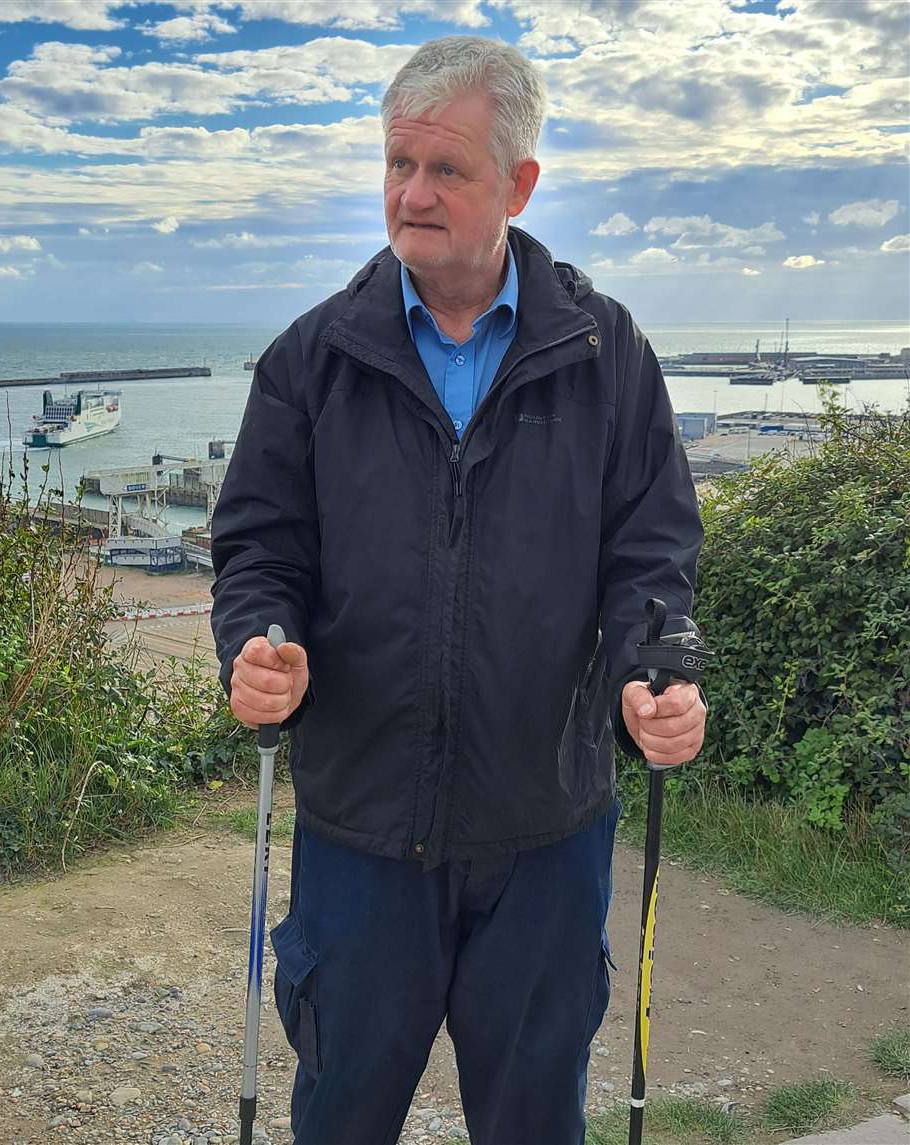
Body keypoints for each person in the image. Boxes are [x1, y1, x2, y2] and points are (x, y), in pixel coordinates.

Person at [210, 35, 708, 1145]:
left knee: (535, 1119)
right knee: (340, 1114)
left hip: (545, 826)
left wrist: (651, 669)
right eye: (397, 164)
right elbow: (259, 545)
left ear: (520, 183)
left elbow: (653, 552)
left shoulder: (605, 350)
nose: (412, 193)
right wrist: (256, 638)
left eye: (446, 170)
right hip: (360, 829)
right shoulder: (312, 357)